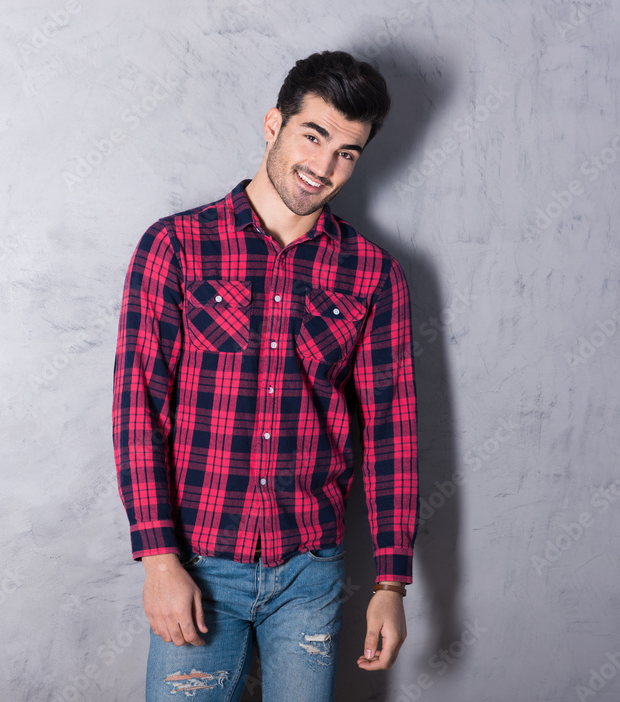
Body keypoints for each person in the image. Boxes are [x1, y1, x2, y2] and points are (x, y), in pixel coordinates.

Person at [112, 50, 419, 701]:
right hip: (198, 563)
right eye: (314, 136)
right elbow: (139, 410)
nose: (325, 166)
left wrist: (391, 583)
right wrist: (159, 559)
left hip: (311, 572)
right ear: (273, 123)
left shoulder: (372, 275)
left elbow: (393, 433)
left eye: (348, 152)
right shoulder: (175, 247)